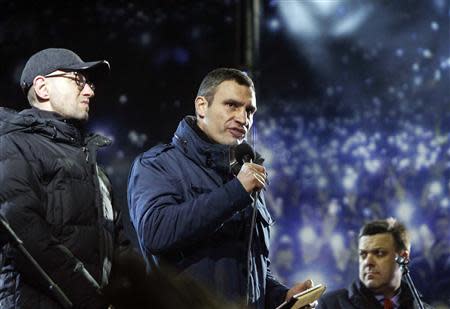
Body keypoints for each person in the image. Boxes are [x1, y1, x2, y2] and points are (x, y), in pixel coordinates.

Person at [127, 68, 313, 308]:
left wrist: (282, 296)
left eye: (249, 110)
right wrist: (236, 192)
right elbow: (156, 232)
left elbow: (253, 268)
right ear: (202, 106)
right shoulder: (157, 165)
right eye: (232, 106)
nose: (243, 119)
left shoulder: (245, 175)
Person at [0, 48, 133, 309]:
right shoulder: (10, 147)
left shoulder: (93, 166)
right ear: (42, 87)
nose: (89, 91)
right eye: (78, 80)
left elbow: (119, 248)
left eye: (90, 83)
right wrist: (95, 302)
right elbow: (28, 240)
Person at [317, 218, 433, 309]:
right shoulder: (329, 305)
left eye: (379, 253)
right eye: (363, 254)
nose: (368, 262)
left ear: (403, 257)